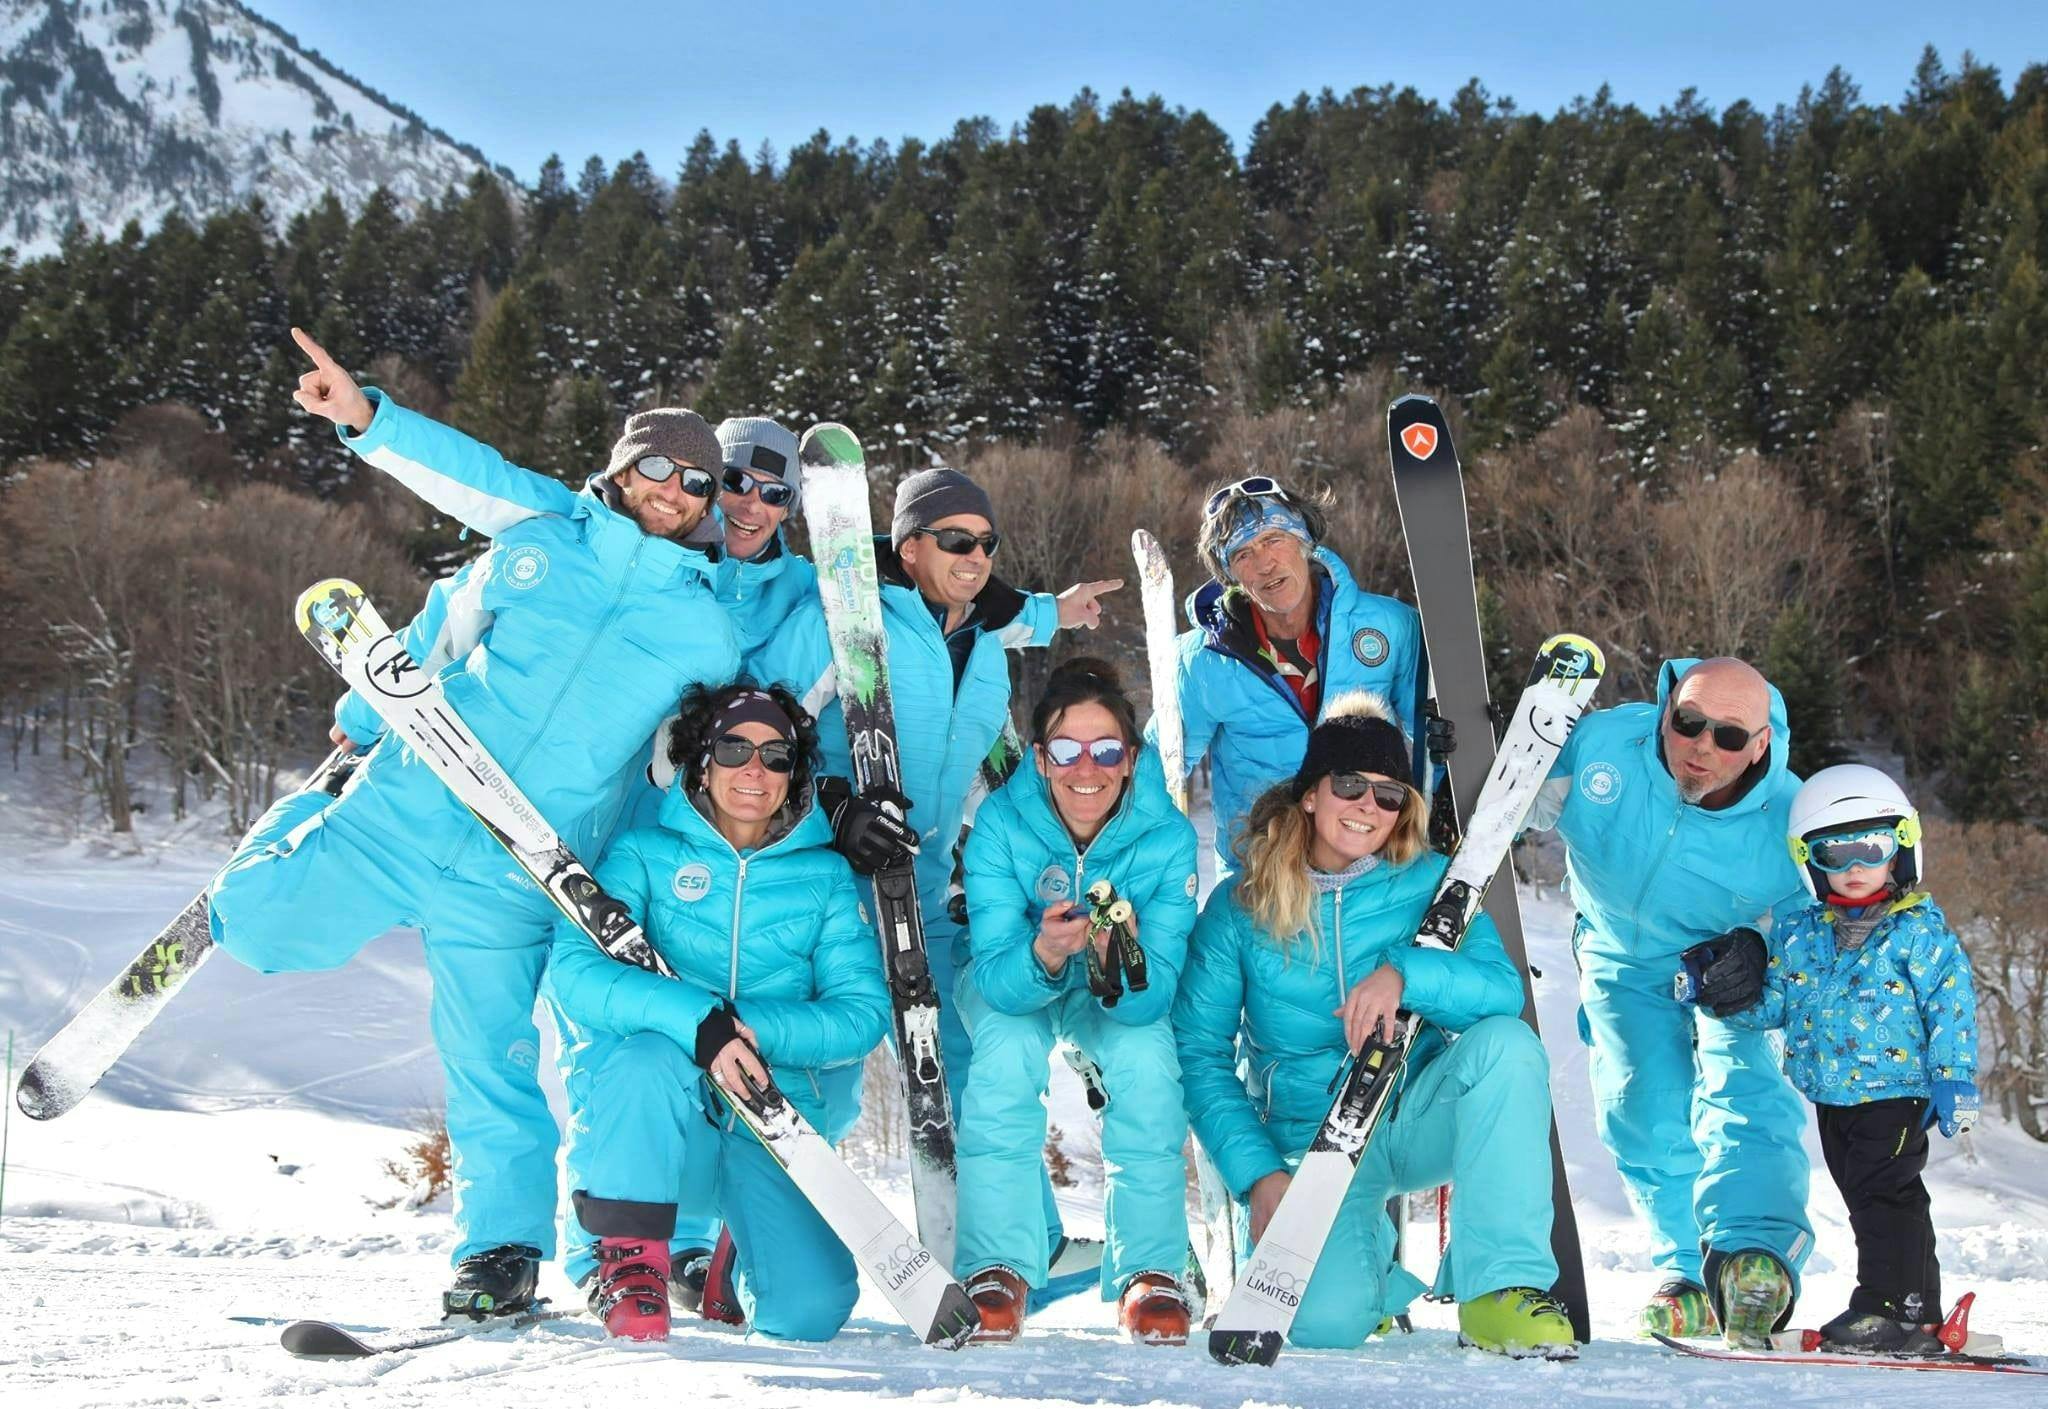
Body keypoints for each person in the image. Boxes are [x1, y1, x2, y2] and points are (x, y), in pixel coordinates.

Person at [209, 329, 737, 1318]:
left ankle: (498, 1250)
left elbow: (686, 761)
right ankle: (306, 813)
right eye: (659, 466)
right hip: (409, 804)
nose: (676, 489)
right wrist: (366, 417)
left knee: (491, 1058)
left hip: (521, 871)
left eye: (698, 482)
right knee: (256, 927)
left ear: (710, 506)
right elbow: (443, 600)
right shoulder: (542, 535)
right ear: (622, 470)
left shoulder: (704, 628)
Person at [1174, 693, 1573, 1358]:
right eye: (1350, 785)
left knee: (1507, 1048)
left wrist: (1405, 973)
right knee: (1323, 1326)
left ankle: (1499, 1289)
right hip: (1310, 1143)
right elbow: (1199, 1050)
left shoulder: (1429, 884)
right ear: (1309, 793)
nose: (1368, 806)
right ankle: (1366, 1272)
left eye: (1389, 796)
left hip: (1412, 1113)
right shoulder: (1240, 907)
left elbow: (1501, 990)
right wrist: (1258, 1172)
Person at [752, 467, 1121, 1109]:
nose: (976, 557)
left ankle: (1000, 1213)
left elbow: (983, 771)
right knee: (816, 1098)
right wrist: (833, 808)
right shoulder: (839, 621)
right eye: (956, 540)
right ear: (909, 546)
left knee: (980, 1087)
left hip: (921, 893)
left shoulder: (983, 646)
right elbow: (748, 744)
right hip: (820, 892)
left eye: (986, 543)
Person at [548, 680, 887, 1341]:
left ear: (796, 774)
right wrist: (697, 1022)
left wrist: (749, 1024)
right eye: (734, 748)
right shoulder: (644, 853)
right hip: (662, 1127)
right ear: (700, 757)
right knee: (645, 1056)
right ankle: (632, 1261)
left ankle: (730, 1261)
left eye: (776, 754)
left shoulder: (823, 877)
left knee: (810, 1310)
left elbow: (861, 1012)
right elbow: (575, 972)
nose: (754, 770)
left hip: (770, 1117)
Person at [1524, 656, 1814, 1347]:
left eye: (1729, 736)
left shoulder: (1789, 814)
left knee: (1743, 1087)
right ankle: (1683, 1270)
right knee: (1640, 1104)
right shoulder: (1604, 748)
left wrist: (1764, 950)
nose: (1702, 746)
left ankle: (1752, 1255)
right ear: (1667, 711)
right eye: (1689, 722)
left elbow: (1820, 921)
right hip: (1622, 951)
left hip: (1730, 962)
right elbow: (1514, 803)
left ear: (1761, 743)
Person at [1686, 764, 1978, 1354]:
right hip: (1833, 1095)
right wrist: (1722, 993)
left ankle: (1886, 1307)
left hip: (1895, 1092)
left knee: (1883, 1194)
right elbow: (1775, 1006)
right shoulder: (1803, 933)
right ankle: (1919, 1312)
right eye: (1832, 855)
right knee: (1879, 1194)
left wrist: (1954, 1079)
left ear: (1900, 848)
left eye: (1868, 849)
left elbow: (1952, 1005)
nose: (1852, 869)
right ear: (1809, 862)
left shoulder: (1918, 934)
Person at [953, 659, 1199, 1344]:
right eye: (1065, 750)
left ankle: (1151, 1270)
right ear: (1039, 757)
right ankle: (996, 1265)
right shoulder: (1003, 822)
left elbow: (1156, 1001)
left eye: (1106, 750)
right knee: (1002, 1054)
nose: (1084, 769)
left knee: (1148, 1061)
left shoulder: (1168, 835)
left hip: (1111, 995)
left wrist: (1116, 961)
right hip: (1018, 978)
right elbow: (997, 971)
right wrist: (1047, 952)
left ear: (1130, 760)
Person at [1171, 476, 1436, 878]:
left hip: (1371, 871)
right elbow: (1156, 775)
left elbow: (1433, 743)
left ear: (1305, 539)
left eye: (1274, 539)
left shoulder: (1391, 626)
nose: (1264, 564)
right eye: (1242, 554)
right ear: (1230, 576)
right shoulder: (1201, 660)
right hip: (1263, 874)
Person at [714, 416, 820, 657]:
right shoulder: (662, 557)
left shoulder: (807, 588)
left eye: (775, 494)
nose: (752, 506)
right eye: (736, 481)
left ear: (785, 511)